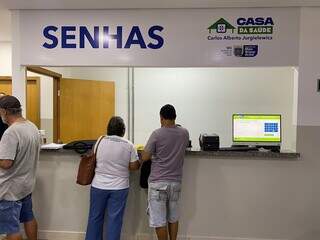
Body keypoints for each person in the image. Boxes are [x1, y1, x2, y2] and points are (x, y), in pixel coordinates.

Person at [85, 116, 140, 240]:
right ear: (123, 130)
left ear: (108, 128)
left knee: (94, 218)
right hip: (119, 188)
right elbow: (134, 167)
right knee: (114, 221)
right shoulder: (129, 145)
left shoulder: (100, 140)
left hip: (98, 186)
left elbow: (93, 155)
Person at [141, 104, 189, 240]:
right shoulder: (184, 133)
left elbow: (144, 157)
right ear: (175, 117)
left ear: (161, 118)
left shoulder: (157, 133)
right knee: (173, 218)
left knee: (159, 220)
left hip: (158, 184)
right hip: (175, 183)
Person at [0, 95, 41, 240]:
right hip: (26, 185)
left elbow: (6, 163)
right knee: (28, 218)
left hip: (10, 190)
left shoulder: (11, 132)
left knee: (12, 229)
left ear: (4, 112)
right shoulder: (32, 127)